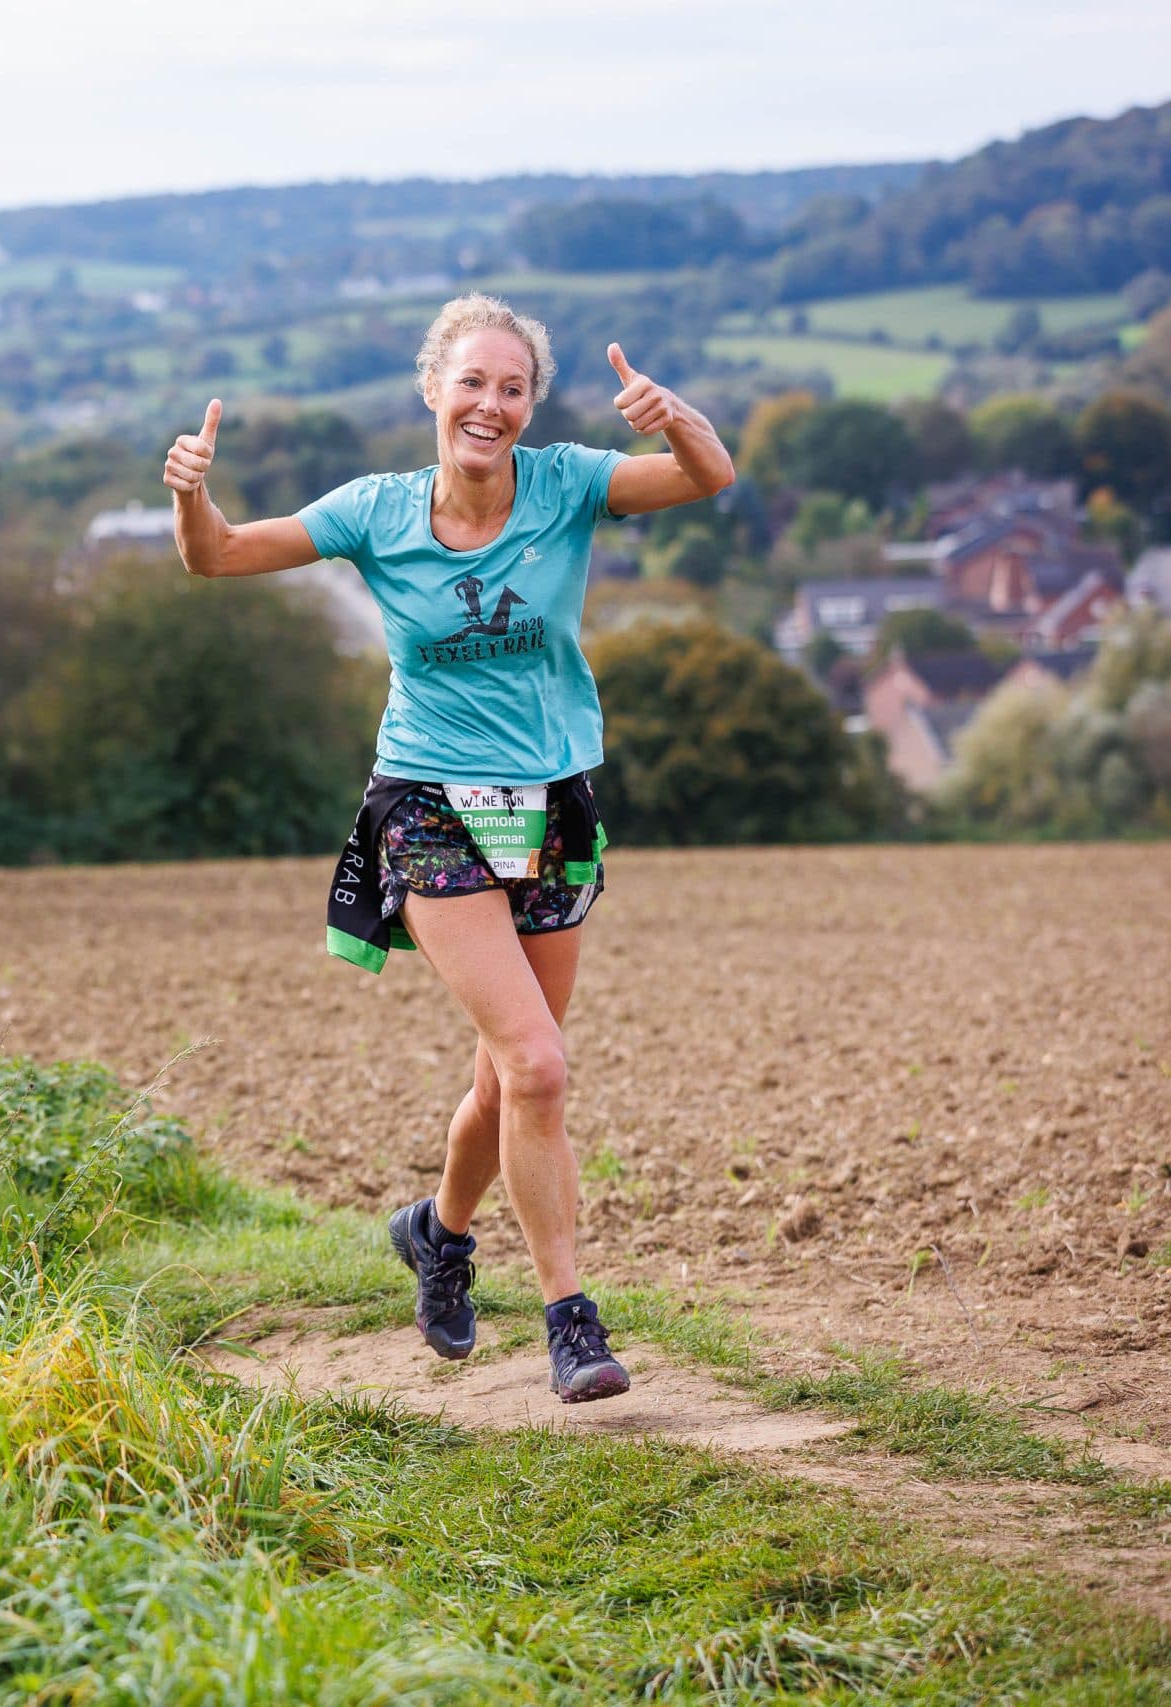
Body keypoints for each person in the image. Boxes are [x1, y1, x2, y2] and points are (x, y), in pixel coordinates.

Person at [163, 295, 734, 1403]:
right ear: (433, 389)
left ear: (530, 405)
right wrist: (191, 496)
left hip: (552, 809)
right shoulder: (375, 512)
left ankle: (439, 1232)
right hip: (427, 806)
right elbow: (217, 556)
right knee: (538, 1064)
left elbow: (706, 477)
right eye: (471, 382)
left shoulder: (566, 483)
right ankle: (571, 1321)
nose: (491, 405)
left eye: (512, 388)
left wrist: (676, 418)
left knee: (502, 1079)